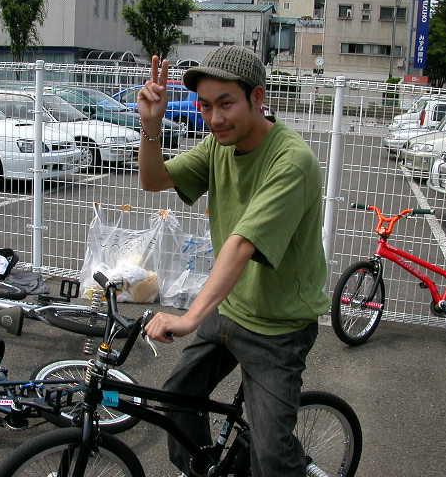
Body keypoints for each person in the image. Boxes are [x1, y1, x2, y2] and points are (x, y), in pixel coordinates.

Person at [138, 45, 329, 477]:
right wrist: (150, 126)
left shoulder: (292, 161)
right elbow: (153, 179)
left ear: (257, 98)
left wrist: (189, 318)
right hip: (229, 307)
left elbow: (241, 244)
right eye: (205, 106)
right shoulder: (218, 146)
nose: (215, 118)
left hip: (278, 327)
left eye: (226, 104)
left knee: (272, 454)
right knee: (178, 398)